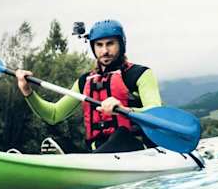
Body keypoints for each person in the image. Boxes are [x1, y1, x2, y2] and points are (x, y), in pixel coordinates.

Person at [14, 19, 164, 153]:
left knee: (121, 135)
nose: (105, 51)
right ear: (93, 47)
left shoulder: (140, 74)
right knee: (59, 142)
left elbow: (156, 116)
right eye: (99, 45)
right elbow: (53, 115)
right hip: (98, 151)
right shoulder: (84, 81)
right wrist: (27, 91)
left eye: (110, 44)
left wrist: (125, 110)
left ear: (121, 44)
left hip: (136, 150)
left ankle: (80, 164)